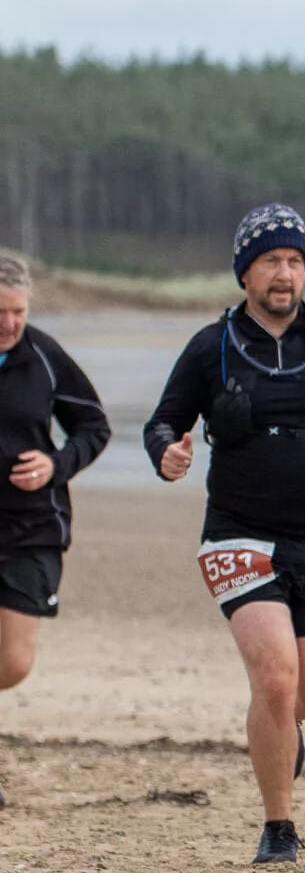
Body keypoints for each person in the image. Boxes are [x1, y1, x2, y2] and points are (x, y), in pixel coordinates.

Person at [143, 204, 305, 865]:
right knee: (276, 679)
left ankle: (284, 729)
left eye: (294, 262)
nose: (285, 275)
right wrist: (168, 453)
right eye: (271, 262)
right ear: (245, 272)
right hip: (237, 534)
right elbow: (161, 424)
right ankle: (279, 825)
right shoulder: (212, 346)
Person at [0, 250, 112, 804]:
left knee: (13, 664)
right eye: (0, 311)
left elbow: (93, 425)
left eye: (18, 311)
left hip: (32, 528)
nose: (9, 323)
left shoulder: (43, 355)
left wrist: (54, 465)